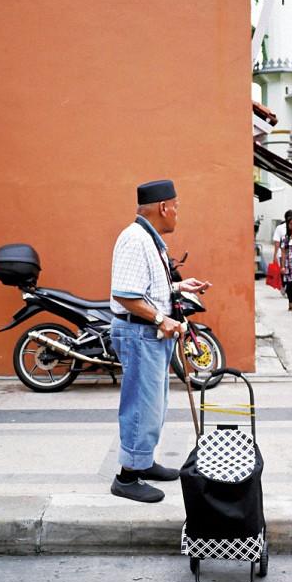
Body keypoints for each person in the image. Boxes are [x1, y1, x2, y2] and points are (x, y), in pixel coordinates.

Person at [110, 179, 211, 503]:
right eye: (176, 208)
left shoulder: (149, 240)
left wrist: (180, 288)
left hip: (150, 335)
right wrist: (161, 319)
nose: (178, 215)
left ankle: (143, 462)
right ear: (163, 208)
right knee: (141, 405)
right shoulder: (135, 239)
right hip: (140, 333)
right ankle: (126, 477)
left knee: (154, 405)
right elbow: (125, 295)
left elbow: (148, 287)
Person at [273, 209, 292, 298]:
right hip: (282, 254)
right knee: (283, 272)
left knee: (291, 273)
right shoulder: (280, 228)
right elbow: (277, 242)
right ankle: (283, 286)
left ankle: (287, 289)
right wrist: (274, 255)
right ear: (288, 218)